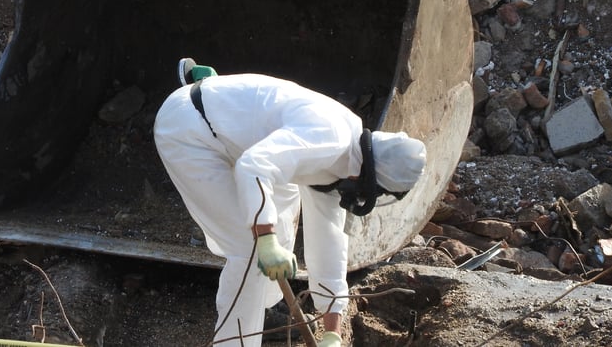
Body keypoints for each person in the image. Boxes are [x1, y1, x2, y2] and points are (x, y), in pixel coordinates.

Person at [153, 58, 427, 347]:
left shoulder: (344, 166)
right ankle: (235, 341)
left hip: (235, 136)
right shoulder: (330, 138)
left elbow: (330, 246)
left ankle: (260, 310)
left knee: (283, 211)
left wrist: (332, 330)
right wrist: (266, 240)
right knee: (250, 248)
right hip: (188, 128)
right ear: (371, 176)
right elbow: (253, 166)